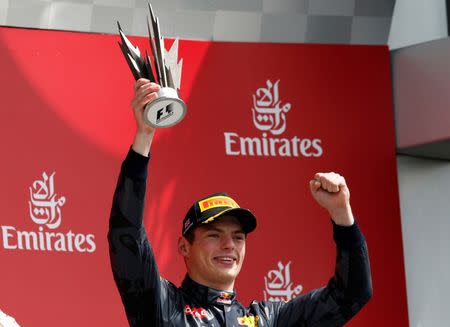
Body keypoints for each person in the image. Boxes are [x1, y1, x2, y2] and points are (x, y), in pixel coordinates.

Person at [108, 79, 373, 326]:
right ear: (184, 247)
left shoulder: (268, 319)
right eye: (214, 234)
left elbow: (352, 294)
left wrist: (341, 214)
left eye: (238, 237)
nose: (229, 245)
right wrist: (144, 137)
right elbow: (127, 234)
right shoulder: (162, 306)